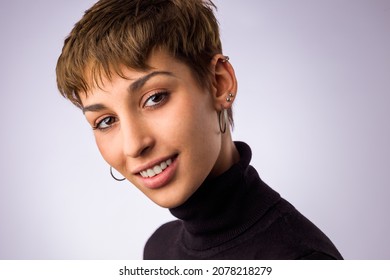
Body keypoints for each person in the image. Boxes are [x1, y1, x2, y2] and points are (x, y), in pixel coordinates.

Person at [56, 0, 343, 259]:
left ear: (219, 83)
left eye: (155, 98)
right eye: (106, 121)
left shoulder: (303, 260)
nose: (133, 145)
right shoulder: (158, 248)